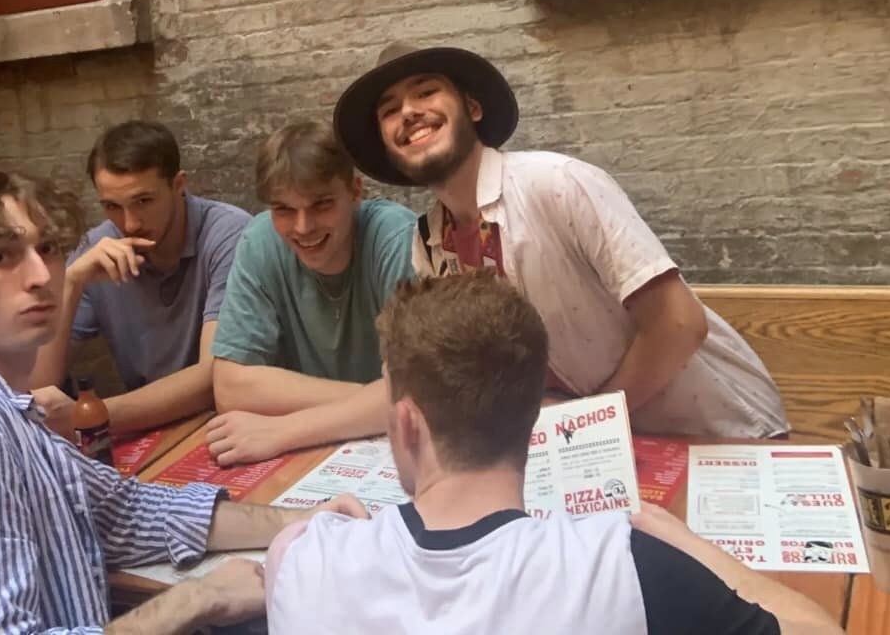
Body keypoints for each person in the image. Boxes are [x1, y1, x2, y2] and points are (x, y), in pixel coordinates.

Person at [0, 166, 366, 634]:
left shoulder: (1, 409)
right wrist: (197, 599)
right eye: (0, 257)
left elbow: (128, 512)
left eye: (47, 248)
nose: (41, 275)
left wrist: (305, 519)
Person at [264, 272, 842, 634]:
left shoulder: (298, 560)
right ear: (534, 417)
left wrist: (313, 533)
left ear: (406, 423)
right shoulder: (628, 567)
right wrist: (697, 550)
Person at [333, 42, 788, 438]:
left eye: (426, 91)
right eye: (389, 110)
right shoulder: (431, 242)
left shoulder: (557, 183)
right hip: (597, 454)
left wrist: (588, 425)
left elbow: (679, 323)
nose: (408, 112)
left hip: (721, 433)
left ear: (472, 108)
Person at [205, 122, 416, 466]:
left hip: (391, 449)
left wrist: (284, 430)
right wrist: (373, 400)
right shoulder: (260, 241)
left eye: (321, 204)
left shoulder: (395, 237)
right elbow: (230, 387)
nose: (303, 227)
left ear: (356, 192)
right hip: (322, 454)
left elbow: (419, 391)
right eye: (284, 210)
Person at [40, 121, 249, 434]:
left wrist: (93, 416)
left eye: (143, 201)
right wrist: (70, 284)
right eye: (112, 206)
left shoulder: (229, 235)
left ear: (178, 185)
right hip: (150, 431)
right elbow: (39, 383)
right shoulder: (97, 250)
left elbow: (215, 377)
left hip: (232, 423)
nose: (129, 223)